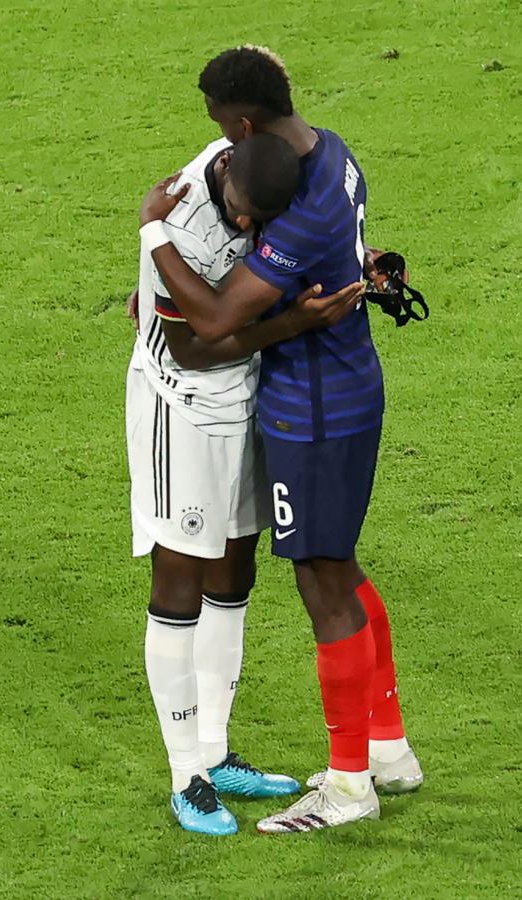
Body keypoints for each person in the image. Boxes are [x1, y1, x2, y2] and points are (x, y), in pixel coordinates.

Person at [138, 45, 423, 834]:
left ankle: (346, 784)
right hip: (341, 392)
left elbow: (219, 322)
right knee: (340, 566)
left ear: (243, 123)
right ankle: (389, 749)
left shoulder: (303, 211)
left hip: (315, 410)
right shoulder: (330, 151)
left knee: (322, 583)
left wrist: (152, 238)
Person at [128, 131, 363, 835]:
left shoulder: (269, 186)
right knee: (180, 582)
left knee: (234, 574)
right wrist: (293, 322)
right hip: (185, 411)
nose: (241, 225)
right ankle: (185, 780)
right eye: (237, 211)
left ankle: (216, 750)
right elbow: (193, 348)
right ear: (222, 172)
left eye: (254, 218)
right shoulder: (182, 223)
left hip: (248, 402)